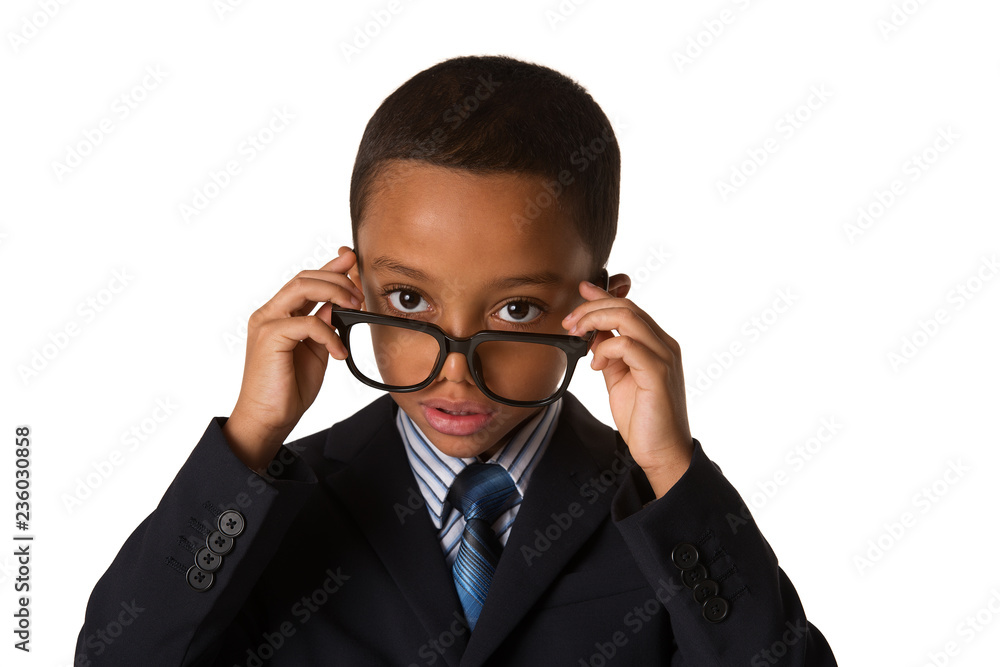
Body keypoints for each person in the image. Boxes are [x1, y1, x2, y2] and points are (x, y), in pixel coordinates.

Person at [75, 54, 838, 666]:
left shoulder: (659, 515)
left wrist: (672, 470)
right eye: (408, 302)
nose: (455, 372)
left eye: (516, 310)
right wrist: (249, 437)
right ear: (350, 284)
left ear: (598, 310)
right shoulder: (271, 505)